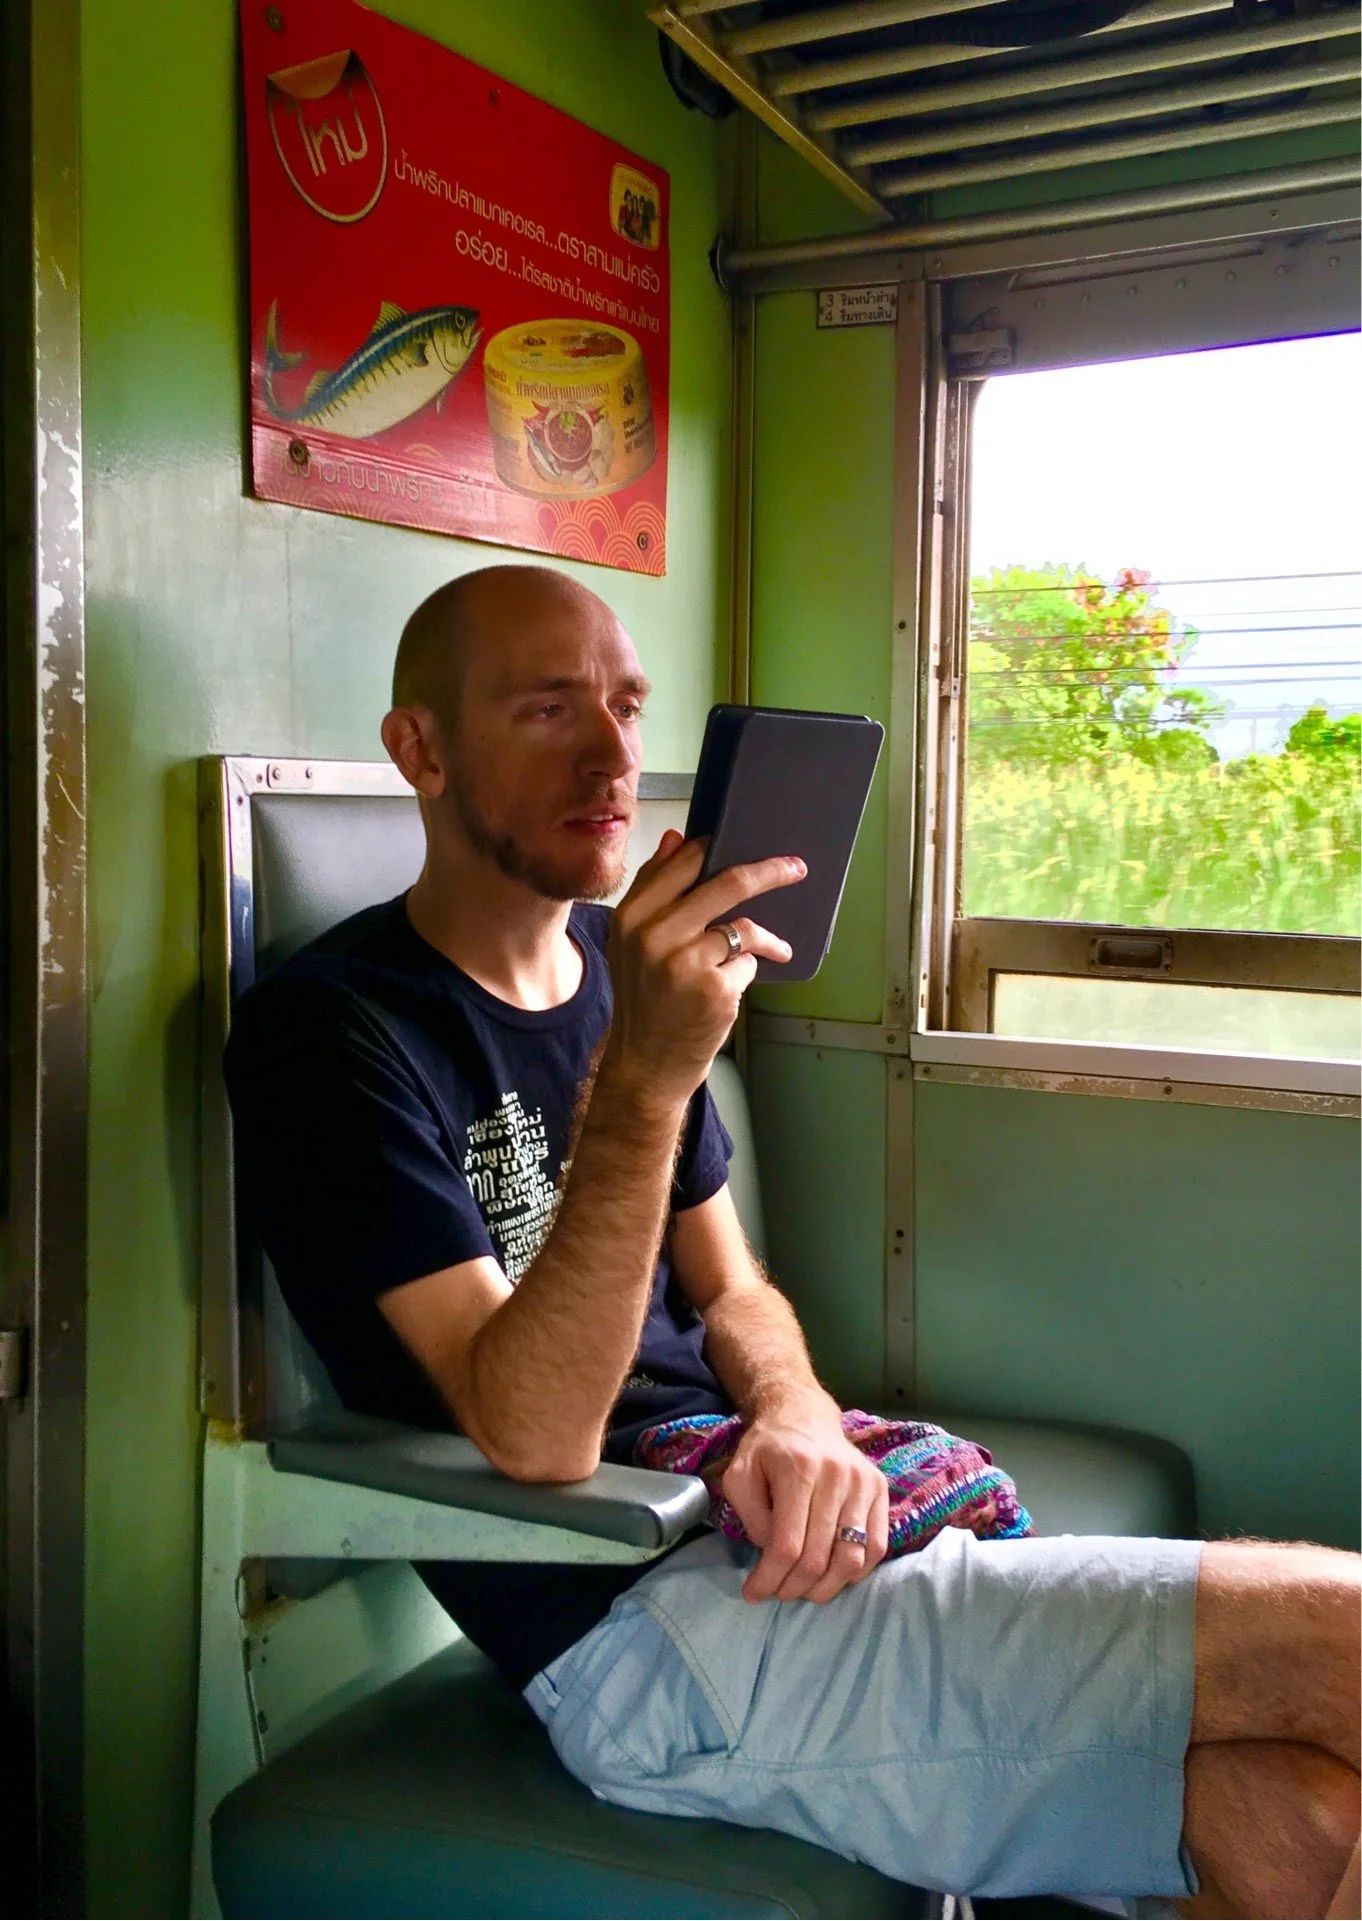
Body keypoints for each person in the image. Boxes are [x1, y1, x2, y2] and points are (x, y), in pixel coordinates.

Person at [226, 564, 1360, 1918]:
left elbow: (734, 1288)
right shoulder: (331, 1035)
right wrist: (643, 1084)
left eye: (626, 707)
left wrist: (795, 1415)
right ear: (419, 749)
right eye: (545, 710)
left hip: (773, 1537)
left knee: (1301, 1825)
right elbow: (529, 1436)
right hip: (640, 1624)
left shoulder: (619, 972)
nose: (610, 756)